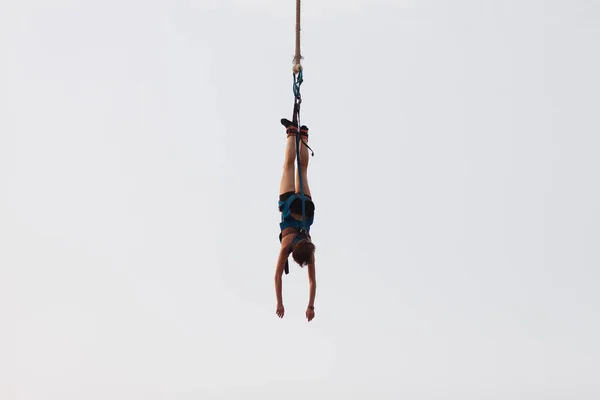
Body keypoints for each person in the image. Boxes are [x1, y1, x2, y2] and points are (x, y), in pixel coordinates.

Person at [274, 118, 317, 322]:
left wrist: (311, 306)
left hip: (305, 208)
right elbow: (277, 277)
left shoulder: (309, 246)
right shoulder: (286, 246)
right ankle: (292, 133)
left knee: (303, 171)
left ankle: (304, 136)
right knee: (288, 167)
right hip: (290, 206)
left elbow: (312, 283)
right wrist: (279, 302)